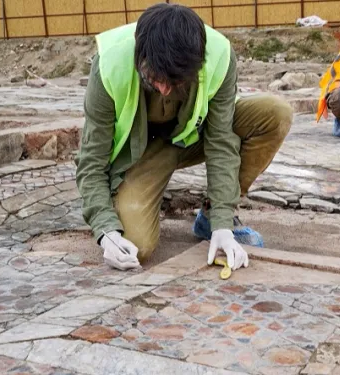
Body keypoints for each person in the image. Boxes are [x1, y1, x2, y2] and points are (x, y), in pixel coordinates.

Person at [75, 4, 293, 272]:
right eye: (155, 77)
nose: (165, 89)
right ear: (139, 55)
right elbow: (90, 162)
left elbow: (222, 143)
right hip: (143, 152)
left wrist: (222, 223)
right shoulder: (109, 65)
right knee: (136, 247)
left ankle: (209, 218)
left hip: (193, 136)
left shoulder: (218, 55)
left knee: (274, 113)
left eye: (176, 81)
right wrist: (105, 228)